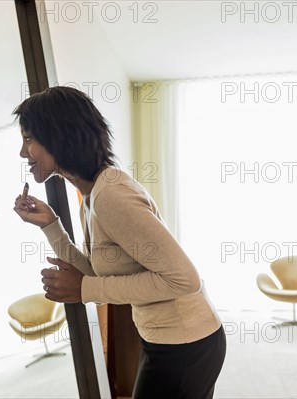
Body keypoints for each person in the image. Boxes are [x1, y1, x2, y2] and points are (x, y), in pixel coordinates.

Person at [12, 87, 226, 398]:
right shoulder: (94, 193)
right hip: (165, 338)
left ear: (59, 135)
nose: (22, 152)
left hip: (186, 343)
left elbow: (183, 279)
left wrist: (84, 290)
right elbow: (99, 276)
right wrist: (52, 226)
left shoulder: (110, 193)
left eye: (29, 138)